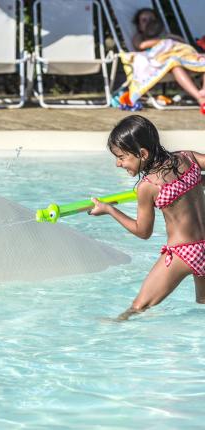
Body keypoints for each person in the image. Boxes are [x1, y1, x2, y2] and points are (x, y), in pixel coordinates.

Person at [89, 115, 205, 319]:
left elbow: (143, 232)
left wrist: (109, 210)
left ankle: (107, 331)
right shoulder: (188, 158)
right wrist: (198, 180)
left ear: (142, 153)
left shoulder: (148, 187)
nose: (118, 163)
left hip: (183, 253)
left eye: (121, 157)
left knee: (136, 308)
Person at [129, 8, 205, 112]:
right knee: (175, 65)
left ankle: (204, 91)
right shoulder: (140, 36)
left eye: (152, 19)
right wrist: (163, 41)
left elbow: (183, 43)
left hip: (183, 59)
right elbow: (141, 45)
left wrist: (171, 38)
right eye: (144, 20)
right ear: (139, 25)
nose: (149, 22)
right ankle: (199, 98)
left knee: (203, 61)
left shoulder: (166, 35)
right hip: (166, 62)